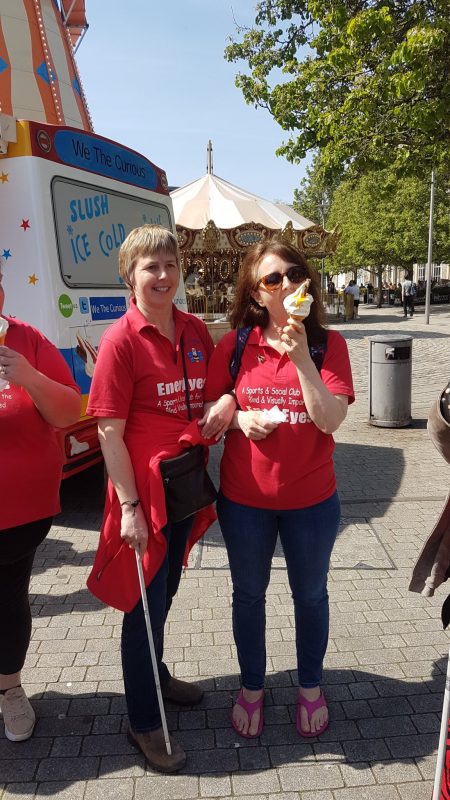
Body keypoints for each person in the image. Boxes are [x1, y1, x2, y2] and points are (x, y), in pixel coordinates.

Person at [86, 225, 232, 774]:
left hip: (184, 483)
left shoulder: (195, 330)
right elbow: (107, 432)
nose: (164, 276)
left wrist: (229, 399)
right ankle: (143, 720)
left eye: (171, 265)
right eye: (151, 267)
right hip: (143, 493)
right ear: (131, 275)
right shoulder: (121, 340)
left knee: (165, 591)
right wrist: (126, 507)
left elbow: (225, 383)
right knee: (142, 606)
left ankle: (157, 675)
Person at [205, 240, 354, 740]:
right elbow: (211, 416)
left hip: (311, 503)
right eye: (274, 279)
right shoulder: (235, 347)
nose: (288, 283)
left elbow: (331, 420)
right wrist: (238, 416)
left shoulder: (327, 345)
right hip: (245, 502)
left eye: (294, 274)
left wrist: (302, 362)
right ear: (255, 293)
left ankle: (310, 685)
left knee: (310, 596)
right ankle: (252, 686)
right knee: (248, 595)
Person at [0, 262, 81, 742]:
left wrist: (28, 376)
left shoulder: (27, 342)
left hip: (20, 513)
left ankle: (10, 690)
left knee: (8, 600)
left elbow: (71, 410)